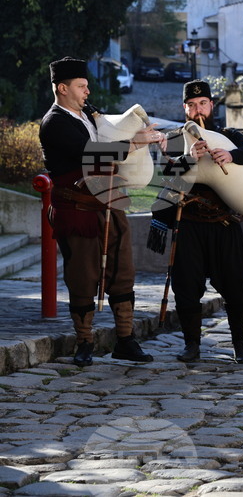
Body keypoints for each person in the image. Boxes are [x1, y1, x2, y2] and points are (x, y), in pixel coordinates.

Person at [39, 57, 159, 366]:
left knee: (122, 271)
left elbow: (108, 140)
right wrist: (133, 143)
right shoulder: (53, 122)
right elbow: (90, 154)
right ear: (62, 88)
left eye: (87, 86)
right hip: (77, 209)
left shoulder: (89, 117)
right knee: (83, 275)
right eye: (81, 86)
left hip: (108, 203)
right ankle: (84, 343)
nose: (87, 92)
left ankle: (125, 340)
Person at [154, 80, 243, 364]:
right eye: (191, 105)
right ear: (184, 108)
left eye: (202, 104)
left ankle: (240, 344)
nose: (197, 109)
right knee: (187, 288)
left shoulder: (228, 134)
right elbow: (166, 174)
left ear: (211, 105)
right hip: (188, 222)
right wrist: (188, 158)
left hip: (224, 223)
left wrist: (231, 155)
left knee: (236, 288)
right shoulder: (175, 137)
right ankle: (192, 345)